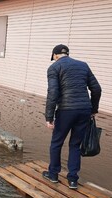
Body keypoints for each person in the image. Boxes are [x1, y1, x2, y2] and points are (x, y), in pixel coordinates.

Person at [43, 44, 102, 189]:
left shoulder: (54, 68)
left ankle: (53, 174)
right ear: (67, 54)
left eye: (54, 57)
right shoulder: (83, 65)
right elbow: (96, 89)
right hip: (84, 110)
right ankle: (73, 180)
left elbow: (53, 93)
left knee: (57, 142)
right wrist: (93, 109)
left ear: (55, 55)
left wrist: (49, 117)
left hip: (66, 111)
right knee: (75, 145)